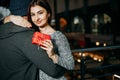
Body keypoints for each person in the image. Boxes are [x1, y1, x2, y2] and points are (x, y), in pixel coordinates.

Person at [5, 0, 75, 80]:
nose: (37, 18)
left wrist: (53, 55)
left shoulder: (58, 36)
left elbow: (70, 65)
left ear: (48, 14)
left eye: (40, 13)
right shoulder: (31, 33)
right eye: (33, 14)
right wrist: (10, 17)